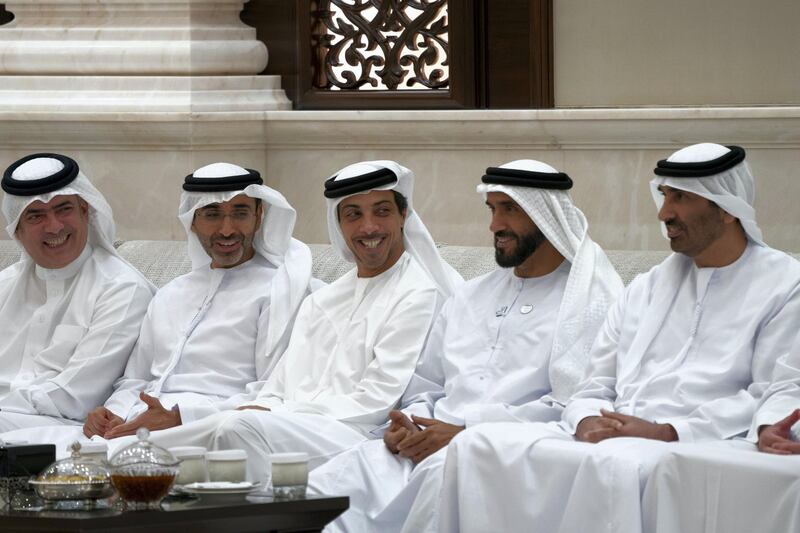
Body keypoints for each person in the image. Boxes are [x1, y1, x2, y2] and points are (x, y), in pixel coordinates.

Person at [433, 143, 800, 533]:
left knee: (619, 464)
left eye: (680, 198)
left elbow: (777, 388)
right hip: (616, 432)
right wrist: (588, 418)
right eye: (664, 196)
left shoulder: (784, 284)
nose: (664, 214)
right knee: (478, 445)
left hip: (705, 440)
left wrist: (669, 431)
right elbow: (593, 382)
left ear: (728, 208)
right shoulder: (646, 286)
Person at [307, 159, 623, 533]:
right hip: (428, 442)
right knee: (324, 485)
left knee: (444, 478)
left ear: (547, 215)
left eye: (510, 210)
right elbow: (427, 385)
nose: (495, 226)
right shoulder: (469, 296)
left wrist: (466, 432)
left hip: (507, 450)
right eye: (492, 210)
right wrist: (407, 426)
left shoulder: (587, 300)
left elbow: (571, 404)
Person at [102, 160, 460, 482]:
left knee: (237, 427)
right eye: (352, 214)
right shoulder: (323, 299)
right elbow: (278, 384)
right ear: (338, 223)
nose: (368, 227)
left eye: (381, 211)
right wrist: (268, 407)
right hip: (289, 424)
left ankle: (131, 466)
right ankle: (124, 464)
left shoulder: (421, 290)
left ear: (403, 216)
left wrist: (272, 411)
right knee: (216, 428)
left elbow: (376, 400)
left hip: (355, 431)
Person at [0, 162, 314, 452]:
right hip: (135, 424)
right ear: (191, 221)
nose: (227, 229)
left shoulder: (282, 289)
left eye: (241, 213)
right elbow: (135, 380)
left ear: (260, 216)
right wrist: (111, 412)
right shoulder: (171, 293)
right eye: (212, 214)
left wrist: (180, 416)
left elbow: (271, 391)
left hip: (210, 425)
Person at [0, 153, 153, 432]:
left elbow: (74, 397)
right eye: (36, 215)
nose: (54, 226)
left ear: (86, 212)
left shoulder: (121, 288)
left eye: (63, 209)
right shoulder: (4, 286)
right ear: (17, 231)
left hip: (64, 429)